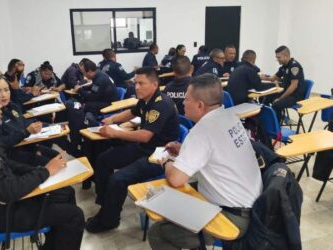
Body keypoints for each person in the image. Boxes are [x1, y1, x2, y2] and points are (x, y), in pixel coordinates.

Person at [0, 84, 85, 250]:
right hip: (0, 214)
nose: (0, 103)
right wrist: (46, 171)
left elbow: (6, 163)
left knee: (65, 192)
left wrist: (41, 170)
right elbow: (8, 192)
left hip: (5, 199)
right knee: (74, 216)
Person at [147, 74, 263, 249]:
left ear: (200, 105)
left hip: (233, 216)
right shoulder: (229, 116)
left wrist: (166, 160)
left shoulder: (203, 130)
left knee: (158, 233)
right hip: (252, 205)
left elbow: (176, 179)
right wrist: (184, 150)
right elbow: (215, 152)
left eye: (186, 99)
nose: (183, 103)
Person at [85, 67, 180, 233]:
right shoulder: (146, 99)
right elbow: (131, 112)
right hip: (144, 149)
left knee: (117, 179)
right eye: (136, 83)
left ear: (154, 84)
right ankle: (105, 203)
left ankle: (109, 220)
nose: (136, 87)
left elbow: (145, 136)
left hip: (159, 156)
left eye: (141, 83)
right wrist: (112, 119)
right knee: (103, 159)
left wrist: (115, 132)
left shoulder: (160, 104)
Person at [0, 74, 58, 165]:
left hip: (29, 145)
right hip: (12, 156)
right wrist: (26, 132)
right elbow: (1, 142)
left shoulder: (12, 106)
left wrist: (44, 125)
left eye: (6, 90)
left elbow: (23, 122)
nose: (4, 95)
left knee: (58, 156)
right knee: (53, 163)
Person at [262, 46, 306, 123]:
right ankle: (269, 121)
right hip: (288, 93)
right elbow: (273, 78)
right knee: (264, 98)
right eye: (276, 57)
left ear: (286, 56)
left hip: (296, 96)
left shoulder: (294, 66)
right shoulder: (284, 67)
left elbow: (293, 86)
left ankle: (277, 128)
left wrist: (280, 98)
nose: (277, 59)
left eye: (279, 57)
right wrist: (260, 77)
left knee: (276, 104)